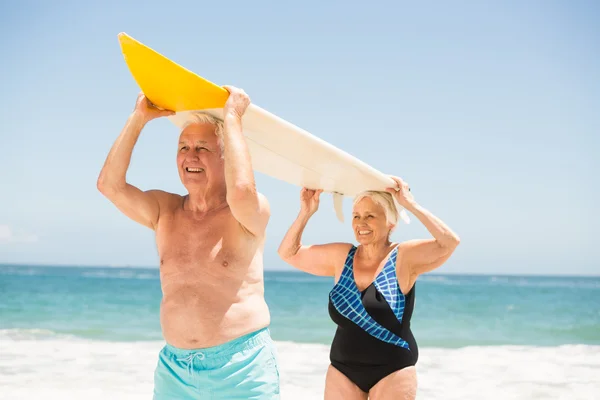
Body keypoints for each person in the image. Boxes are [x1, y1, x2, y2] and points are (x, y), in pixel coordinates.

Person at [97, 87, 280, 399]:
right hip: (175, 371)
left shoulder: (248, 213)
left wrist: (233, 119)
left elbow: (241, 190)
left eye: (203, 148)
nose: (191, 156)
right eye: (184, 147)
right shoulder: (164, 211)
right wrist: (138, 118)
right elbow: (109, 185)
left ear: (226, 156)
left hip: (241, 368)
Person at [278, 178, 460, 399]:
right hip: (342, 370)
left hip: (393, 370)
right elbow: (288, 252)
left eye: (370, 216)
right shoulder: (342, 256)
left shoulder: (404, 256)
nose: (361, 223)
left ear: (390, 223)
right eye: (356, 216)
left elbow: (449, 242)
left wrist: (410, 204)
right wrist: (306, 211)